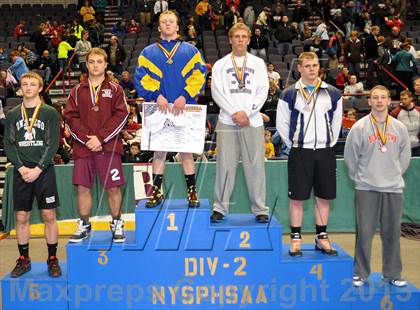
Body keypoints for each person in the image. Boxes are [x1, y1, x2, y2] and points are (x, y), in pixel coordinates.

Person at [133, 10, 206, 208]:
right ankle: (156, 192)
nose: (167, 24)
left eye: (170, 22)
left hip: (185, 107)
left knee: (186, 153)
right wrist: (157, 96)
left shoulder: (190, 51)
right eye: (163, 22)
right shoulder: (148, 52)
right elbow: (141, 78)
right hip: (160, 107)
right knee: (159, 151)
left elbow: (199, 75)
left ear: (177, 27)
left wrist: (185, 96)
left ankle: (192, 192)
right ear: (158, 27)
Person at [276, 51, 343, 256]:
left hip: (324, 151)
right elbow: (282, 123)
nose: (311, 69)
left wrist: (326, 143)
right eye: (307, 66)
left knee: (323, 197)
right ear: (299, 68)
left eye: (314, 65)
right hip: (300, 152)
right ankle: (295, 237)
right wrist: (296, 144)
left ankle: (321, 236)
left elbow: (336, 122)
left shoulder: (332, 92)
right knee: (297, 198)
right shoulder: (289, 93)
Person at [344, 85, 411, 287]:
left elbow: (405, 157)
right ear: (370, 101)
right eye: (375, 98)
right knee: (364, 232)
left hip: (393, 188)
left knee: (392, 233)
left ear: (390, 101)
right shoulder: (359, 127)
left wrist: (394, 174)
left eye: (383, 97)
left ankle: (393, 273)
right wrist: (361, 177)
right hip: (366, 188)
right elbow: (350, 157)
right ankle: (360, 273)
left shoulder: (399, 128)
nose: (379, 101)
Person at [64, 47, 129, 243]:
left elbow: (122, 114)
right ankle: (84, 223)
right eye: (91, 62)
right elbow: (70, 117)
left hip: (108, 147)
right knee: (83, 187)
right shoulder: (76, 91)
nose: (95, 65)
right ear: (87, 64)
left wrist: (100, 138)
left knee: (113, 188)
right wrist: (87, 139)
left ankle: (117, 222)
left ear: (105, 64)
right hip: (84, 148)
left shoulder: (116, 89)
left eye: (99, 62)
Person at [210, 22, 270, 223]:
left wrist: (247, 112)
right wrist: (234, 112)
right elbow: (216, 92)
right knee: (225, 166)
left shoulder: (258, 63)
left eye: (244, 37)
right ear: (230, 39)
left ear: (249, 40)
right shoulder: (220, 64)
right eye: (237, 36)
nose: (241, 40)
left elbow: (263, 90)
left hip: (252, 122)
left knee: (255, 166)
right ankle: (220, 207)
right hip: (227, 120)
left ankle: (260, 209)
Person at [4, 72, 61, 277]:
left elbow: (52, 143)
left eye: (32, 84)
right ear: (20, 87)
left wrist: (38, 168)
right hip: (21, 172)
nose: (28, 87)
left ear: (40, 88)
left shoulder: (49, 113)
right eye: (25, 84)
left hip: (43, 171)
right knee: (21, 216)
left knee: (49, 215)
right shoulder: (12, 114)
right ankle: (23, 259)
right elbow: (9, 144)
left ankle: (52, 258)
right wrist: (20, 167)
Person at [391, 90, 420, 156]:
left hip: (418, 145)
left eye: (405, 99)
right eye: (401, 99)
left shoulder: (419, 110)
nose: (403, 101)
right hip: (402, 146)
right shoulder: (395, 112)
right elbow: (392, 129)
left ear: (411, 98)